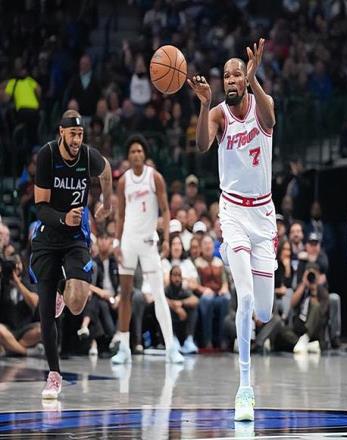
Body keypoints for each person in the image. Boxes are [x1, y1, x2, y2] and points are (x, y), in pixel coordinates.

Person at [188, 38, 276, 421]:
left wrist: (255, 78)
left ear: (246, 77)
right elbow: (201, 146)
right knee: (245, 298)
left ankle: (236, 256)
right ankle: (244, 388)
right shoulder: (219, 113)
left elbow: (270, 120)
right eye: (226, 76)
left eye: (237, 74)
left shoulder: (262, 105)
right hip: (233, 212)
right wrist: (204, 104)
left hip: (264, 215)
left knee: (265, 312)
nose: (231, 80)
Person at [30, 109, 113, 399]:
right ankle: (54, 375)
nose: (77, 140)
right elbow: (40, 207)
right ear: (61, 133)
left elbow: (106, 170)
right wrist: (63, 218)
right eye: (72, 134)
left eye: (80, 134)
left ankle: (63, 291)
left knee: (77, 304)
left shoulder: (88, 156)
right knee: (45, 313)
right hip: (49, 234)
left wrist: (107, 203)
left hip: (76, 236)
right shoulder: (47, 155)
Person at [111, 134, 183, 364]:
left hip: (149, 242)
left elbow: (165, 209)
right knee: (125, 294)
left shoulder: (155, 177)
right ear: (128, 156)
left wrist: (166, 238)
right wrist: (116, 242)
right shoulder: (124, 181)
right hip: (128, 241)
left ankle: (171, 347)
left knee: (158, 294)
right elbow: (120, 215)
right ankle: (124, 347)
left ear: (145, 155)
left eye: (140, 151)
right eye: (132, 151)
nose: (136, 155)